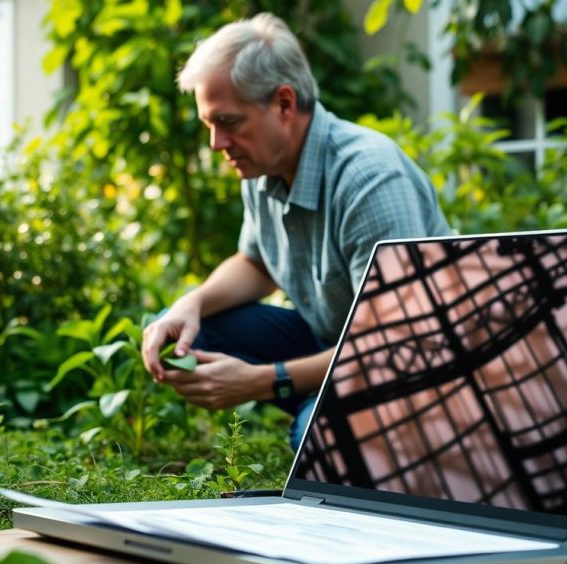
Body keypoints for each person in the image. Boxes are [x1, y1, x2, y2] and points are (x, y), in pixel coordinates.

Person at [140, 13, 452, 450]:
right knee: (187, 334)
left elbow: (396, 341)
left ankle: (332, 417)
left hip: (416, 369)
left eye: (228, 123)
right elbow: (255, 263)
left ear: (284, 104)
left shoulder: (370, 180)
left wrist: (262, 382)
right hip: (333, 343)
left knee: (322, 442)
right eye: (208, 125)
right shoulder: (262, 167)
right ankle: (321, 400)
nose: (216, 144)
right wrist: (188, 305)